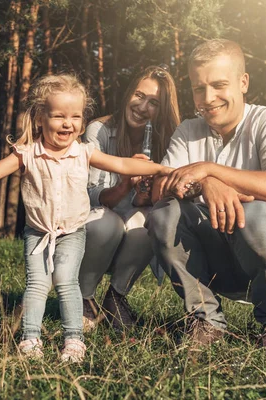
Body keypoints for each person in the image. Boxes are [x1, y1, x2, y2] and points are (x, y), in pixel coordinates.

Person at [0, 74, 176, 363]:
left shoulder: (84, 152)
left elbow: (122, 164)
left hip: (72, 232)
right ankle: (30, 338)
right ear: (39, 118)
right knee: (36, 283)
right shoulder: (28, 153)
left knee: (65, 280)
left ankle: (74, 340)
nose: (67, 123)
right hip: (38, 233)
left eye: (74, 117)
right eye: (58, 116)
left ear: (82, 123)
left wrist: (161, 170)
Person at [146, 39, 266, 353]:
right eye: (198, 88)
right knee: (164, 213)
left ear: (243, 82)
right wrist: (204, 183)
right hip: (211, 252)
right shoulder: (187, 131)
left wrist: (210, 170)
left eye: (219, 85)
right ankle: (205, 319)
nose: (208, 99)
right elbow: (159, 189)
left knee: (258, 215)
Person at [79, 65, 181, 332]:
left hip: (132, 222)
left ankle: (115, 299)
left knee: (152, 220)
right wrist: (125, 184)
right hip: (97, 221)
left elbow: (168, 200)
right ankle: (84, 298)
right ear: (128, 93)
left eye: (154, 103)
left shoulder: (167, 139)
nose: (142, 106)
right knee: (107, 223)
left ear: (162, 110)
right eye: (139, 95)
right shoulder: (98, 131)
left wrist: (148, 196)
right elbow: (90, 197)